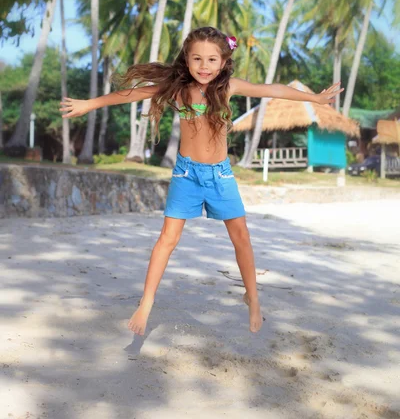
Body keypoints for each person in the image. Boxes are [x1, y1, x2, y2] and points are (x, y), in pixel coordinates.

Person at [60, 26, 343, 335]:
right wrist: (91, 103)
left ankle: (253, 296)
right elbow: (133, 93)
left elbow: (272, 89)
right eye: (197, 59)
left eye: (211, 59)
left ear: (223, 62)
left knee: (241, 238)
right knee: (167, 239)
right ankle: (146, 302)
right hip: (186, 174)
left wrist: (313, 98)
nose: (204, 67)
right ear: (187, 58)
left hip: (220, 175)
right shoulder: (178, 89)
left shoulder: (230, 87)